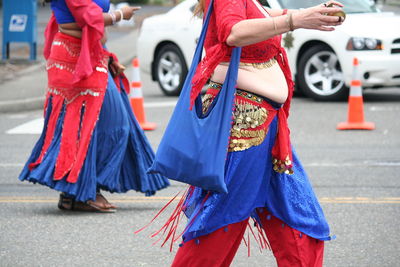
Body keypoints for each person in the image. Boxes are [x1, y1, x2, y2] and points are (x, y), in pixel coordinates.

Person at [144, 0, 345, 266]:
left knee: (299, 220)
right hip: (243, 126)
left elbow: (253, 13)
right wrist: (294, 20)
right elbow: (234, 31)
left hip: (265, 125)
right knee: (221, 221)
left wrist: (305, 15)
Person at [19, 0, 169, 213]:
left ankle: (76, 193)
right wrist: (120, 15)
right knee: (110, 125)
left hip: (91, 54)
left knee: (97, 125)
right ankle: (83, 192)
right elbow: (89, 19)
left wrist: (106, 56)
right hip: (75, 59)